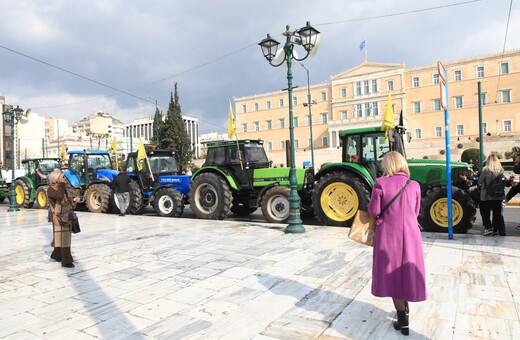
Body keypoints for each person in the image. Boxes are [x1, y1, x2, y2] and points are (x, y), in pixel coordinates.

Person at [367, 151, 427, 336]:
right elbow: (415, 212)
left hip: (388, 234)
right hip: (411, 234)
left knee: (391, 273)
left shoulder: (381, 183)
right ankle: (406, 310)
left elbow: (374, 210)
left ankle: (403, 318)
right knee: (406, 270)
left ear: (387, 165)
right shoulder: (414, 185)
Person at [48, 167, 80, 268]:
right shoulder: (51, 189)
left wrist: (74, 201)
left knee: (61, 237)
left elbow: (67, 199)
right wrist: (62, 185)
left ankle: (57, 254)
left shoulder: (62, 187)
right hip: (59, 216)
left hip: (66, 214)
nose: (64, 178)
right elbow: (60, 197)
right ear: (56, 179)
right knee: (64, 238)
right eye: (62, 177)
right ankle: (66, 261)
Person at [478, 154, 506, 236]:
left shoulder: (486, 169)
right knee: (497, 213)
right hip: (498, 195)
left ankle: (488, 227)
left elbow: (480, 181)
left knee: (485, 212)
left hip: (486, 195)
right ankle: (495, 229)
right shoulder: (500, 170)